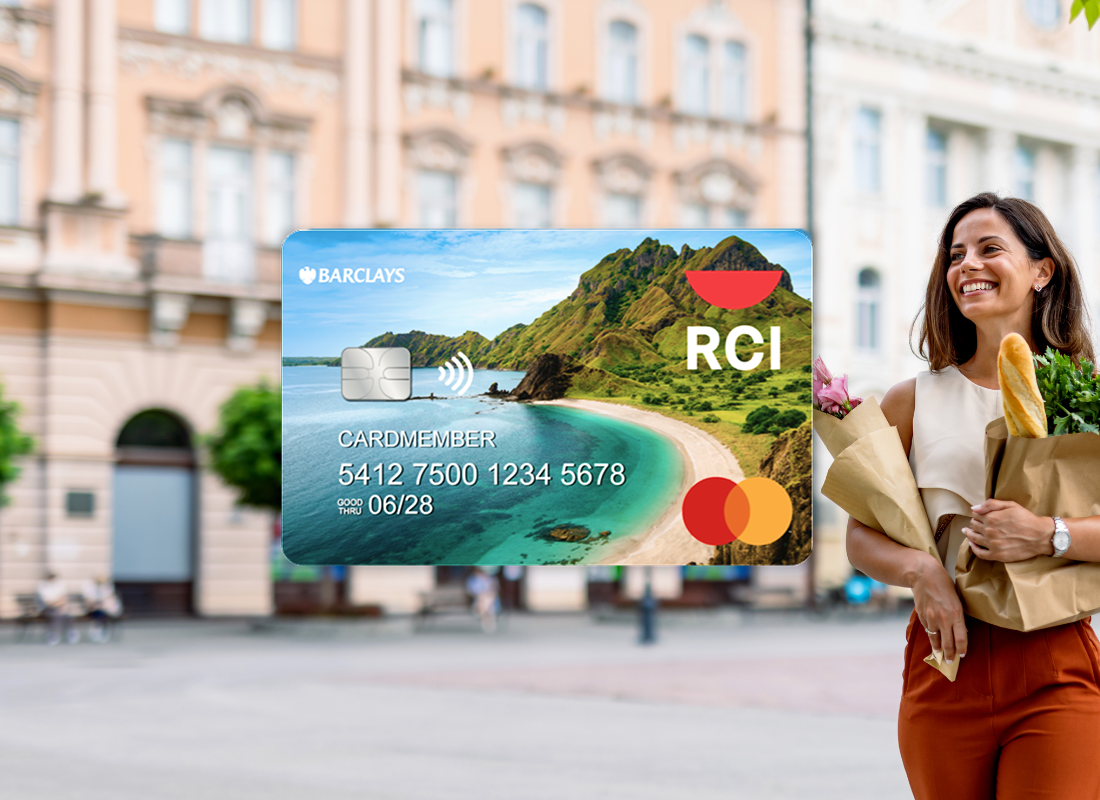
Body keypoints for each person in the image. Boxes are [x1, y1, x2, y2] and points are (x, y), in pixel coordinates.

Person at [846, 193, 1100, 799]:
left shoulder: (1088, 395)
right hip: (945, 657)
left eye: (990, 249)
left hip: (1054, 658)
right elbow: (860, 536)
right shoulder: (912, 400)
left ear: (1043, 271)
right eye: (956, 254)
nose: (967, 265)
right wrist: (919, 572)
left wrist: (1046, 534)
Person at [36, 572, 75, 645]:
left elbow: (63, 598)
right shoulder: (42, 586)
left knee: (66, 615)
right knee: (55, 615)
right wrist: (57, 604)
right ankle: (53, 634)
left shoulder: (59, 585)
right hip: (46, 609)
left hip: (58, 607)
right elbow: (47, 602)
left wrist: (59, 605)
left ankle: (70, 633)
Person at [82, 576, 123, 643]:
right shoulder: (92, 589)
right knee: (99, 614)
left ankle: (100, 631)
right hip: (96, 610)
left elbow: (110, 604)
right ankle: (99, 631)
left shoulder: (107, 590)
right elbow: (90, 601)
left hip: (107, 610)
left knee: (100, 614)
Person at [465, 567, 500, 633]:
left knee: (486, 598)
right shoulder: (472, 579)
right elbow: (470, 590)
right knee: (483, 598)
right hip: (478, 599)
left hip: (489, 599)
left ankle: (484, 614)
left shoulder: (491, 579)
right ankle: (488, 616)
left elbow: (495, 590)